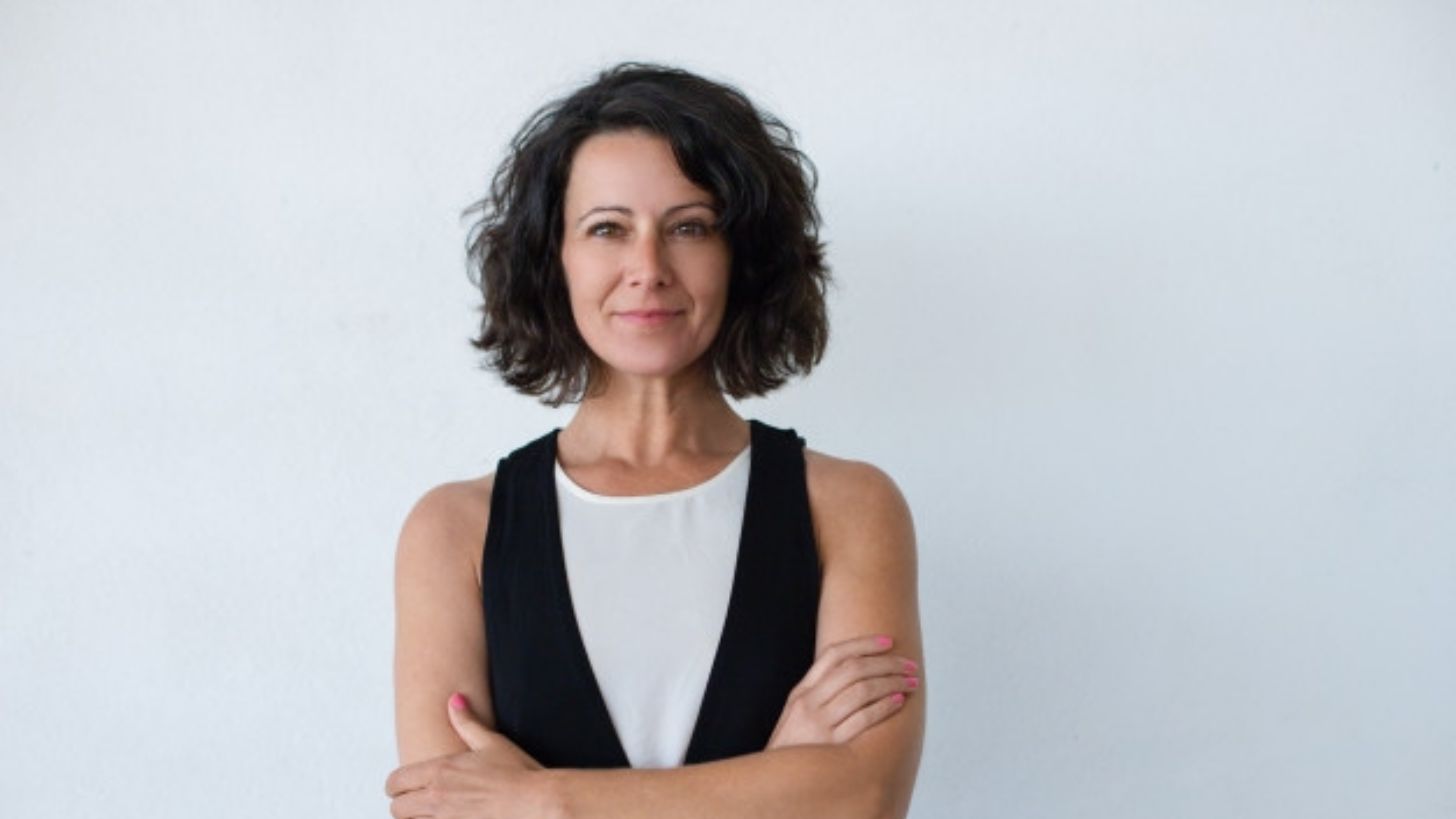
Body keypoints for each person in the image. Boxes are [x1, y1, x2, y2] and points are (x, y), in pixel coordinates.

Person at [386, 62, 925, 818]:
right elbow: (444, 809)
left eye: (689, 227)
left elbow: (862, 799)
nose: (648, 269)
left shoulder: (848, 507)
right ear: (554, 258)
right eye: (607, 228)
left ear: (742, 255)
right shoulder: (454, 531)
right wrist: (780, 778)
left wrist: (548, 800)